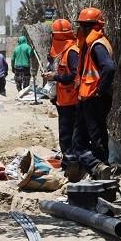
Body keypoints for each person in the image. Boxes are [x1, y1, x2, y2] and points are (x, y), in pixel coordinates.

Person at [65, 7, 116, 182]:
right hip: (86, 98)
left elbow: (109, 68)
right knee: (78, 141)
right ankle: (97, 167)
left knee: (97, 139)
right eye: (82, 26)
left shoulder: (98, 45)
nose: (84, 29)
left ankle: (101, 171)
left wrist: (99, 92)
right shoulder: (89, 44)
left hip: (94, 99)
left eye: (88, 25)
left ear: (97, 26)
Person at [42, 19, 80, 160]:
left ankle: (71, 164)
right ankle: (70, 162)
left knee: (67, 136)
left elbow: (74, 75)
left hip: (72, 102)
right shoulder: (66, 51)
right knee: (67, 135)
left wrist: (55, 77)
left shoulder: (72, 52)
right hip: (64, 100)